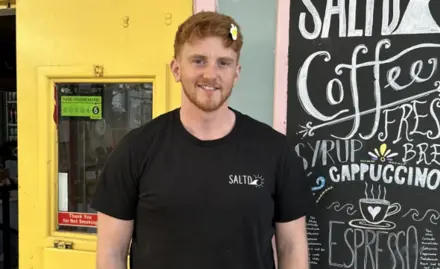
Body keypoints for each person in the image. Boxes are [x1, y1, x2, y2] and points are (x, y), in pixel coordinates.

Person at [92, 11, 312, 269]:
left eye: (223, 63)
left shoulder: (276, 151)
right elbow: (111, 252)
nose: (211, 74)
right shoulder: (135, 150)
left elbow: (292, 247)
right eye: (198, 61)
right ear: (176, 69)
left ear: (236, 73)